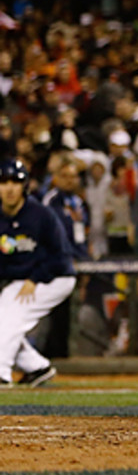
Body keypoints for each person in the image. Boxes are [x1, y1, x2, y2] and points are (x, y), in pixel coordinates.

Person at [0, 160, 75, 388]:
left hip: (55, 278)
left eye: (16, 181)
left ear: (25, 186)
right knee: (6, 316)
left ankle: (1, 372)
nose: (10, 187)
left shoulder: (41, 214)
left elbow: (61, 256)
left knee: (10, 316)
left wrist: (35, 279)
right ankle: (37, 366)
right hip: (22, 279)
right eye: (4, 182)